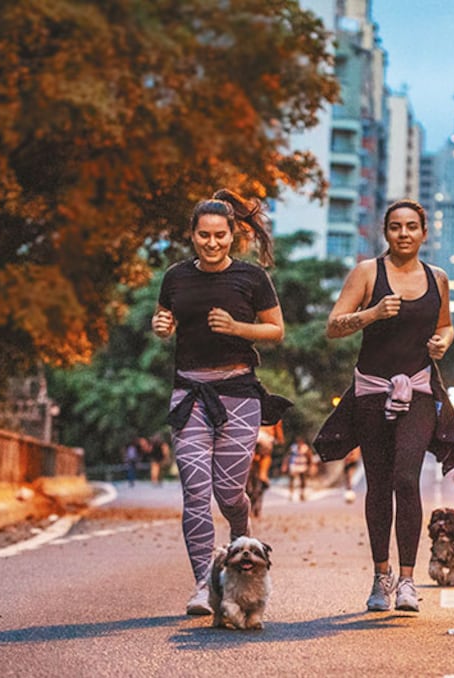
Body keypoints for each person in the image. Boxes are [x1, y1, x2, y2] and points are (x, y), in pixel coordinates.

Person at [314, 198, 454, 614]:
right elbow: (333, 326)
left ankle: (407, 581)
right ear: (386, 231)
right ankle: (381, 577)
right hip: (371, 392)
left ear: (424, 232)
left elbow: (446, 325)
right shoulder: (368, 273)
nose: (404, 233)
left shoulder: (438, 278)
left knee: (405, 477)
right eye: (396, 226)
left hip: (417, 390)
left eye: (411, 226)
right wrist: (373, 313)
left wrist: (444, 342)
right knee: (378, 483)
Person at [152, 188, 290, 617]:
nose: (212, 243)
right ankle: (201, 584)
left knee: (228, 493)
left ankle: (241, 530)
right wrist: (160, 326)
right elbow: (165, 320)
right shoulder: (175, 277)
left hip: (238, 394)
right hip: (189, 394)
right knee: (195, 491)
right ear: (192, 236)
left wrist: (236, 327)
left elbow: (275, 331)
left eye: (220, 236)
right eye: (203, 235)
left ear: (233, 236)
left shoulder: (251, 278)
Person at [247, 427, 275, 517]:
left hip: (251, 437)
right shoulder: (274, 418)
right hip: (264, 439)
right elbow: (280, 437)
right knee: (267, 456)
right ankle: (263, 474)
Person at [282, 435, 316, 502]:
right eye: (298, 442)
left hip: (302, 465)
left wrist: (312, 465)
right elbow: (287, 456)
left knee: (302, 480)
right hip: (294, 465)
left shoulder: (305, 448)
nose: (299, 443)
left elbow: (310, 457)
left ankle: (302, 493)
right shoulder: (292, 448)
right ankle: (291, 494)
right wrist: (285, 465)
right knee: (292, 480)